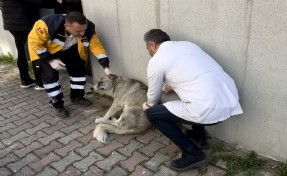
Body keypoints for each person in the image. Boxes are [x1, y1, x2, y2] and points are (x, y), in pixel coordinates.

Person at [142, 29, 243, 171]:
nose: (149, 52)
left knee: (153, 114)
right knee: (192, 97)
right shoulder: (188, 45)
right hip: (230, 99)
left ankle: (193, 154)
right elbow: (193, 76)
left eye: (148, 48)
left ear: (152, 45)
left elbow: (153, 96)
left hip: (208, 109)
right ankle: (200, 138)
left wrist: (147, 105)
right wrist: (171, 87)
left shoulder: (156, 61)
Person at [27, 11, 112, 118]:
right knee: (50, 77)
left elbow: (96, 47)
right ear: (67, 26)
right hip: (45, 51)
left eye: (84, 30)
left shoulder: (89, 28)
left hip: (68, 49)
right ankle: (57, 105)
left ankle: (77, 96)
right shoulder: (46, 24)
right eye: (79, 31)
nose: (82, 33)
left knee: (79, 70)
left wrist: (106, 66)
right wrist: (51, 60)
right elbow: (34, 43)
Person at [0, 0, 61, 90]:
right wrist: (55, 2)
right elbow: (35, 1)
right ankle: (40, 82)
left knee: (21, 50)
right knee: (34, 51)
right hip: (24, 22)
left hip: (12, 23)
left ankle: (25, 80)